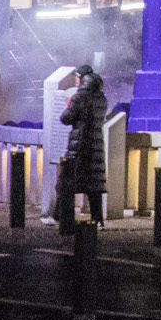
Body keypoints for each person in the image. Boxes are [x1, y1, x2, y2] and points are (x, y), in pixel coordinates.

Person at [55, 64, 109, 227]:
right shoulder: (101, 98)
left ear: (83, 78)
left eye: (77, 77)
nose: (76, 80)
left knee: (65, 183)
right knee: (94, 186)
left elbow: (65, 118)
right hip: (96, 146)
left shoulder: (79, 97)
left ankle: (61, 217)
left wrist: (69, 104)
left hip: (79, 146)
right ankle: (97, 218)